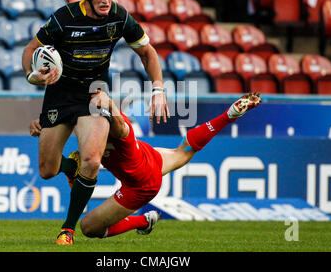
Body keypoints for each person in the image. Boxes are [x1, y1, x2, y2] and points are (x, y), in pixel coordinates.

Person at [22, 0, 169, 245]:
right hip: (59, 95)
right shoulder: (64, 18)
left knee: (91, 161)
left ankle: (67, 230)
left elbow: (147, 53)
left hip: (94, 95)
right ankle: (69, 167)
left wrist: (158, 89)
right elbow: (30, 50)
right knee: (47, 170)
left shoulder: (119, 17)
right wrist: (32, 75)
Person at [29, 91, 262, 244]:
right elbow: (63, 125)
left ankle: (141, 221)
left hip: (141, 184)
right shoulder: (88, 123)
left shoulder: (119, 128)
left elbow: (119, 122)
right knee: (185, 150)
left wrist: (110, 104)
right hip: (148, 155)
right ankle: (228, 114)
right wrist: (45, 126)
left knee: (89, 228)